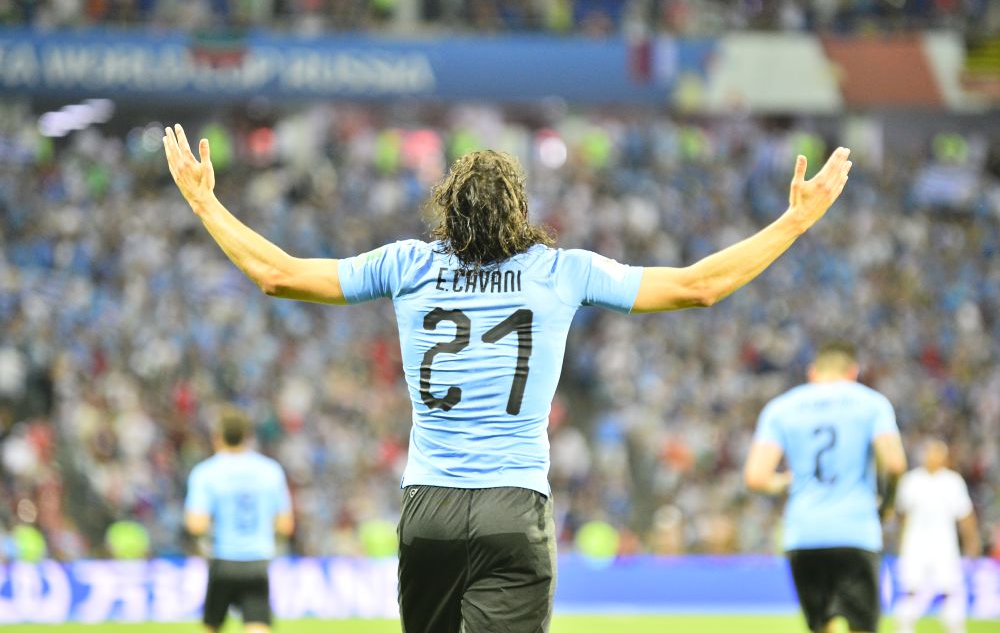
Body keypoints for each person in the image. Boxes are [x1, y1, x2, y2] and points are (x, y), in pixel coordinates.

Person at [164, 123, 852, 632]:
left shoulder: (406, 263)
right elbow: (699, 286)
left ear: (447, 205)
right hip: (512, 505)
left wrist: (204, 204)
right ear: (517, 209)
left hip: (428, 504)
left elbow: (277, 274)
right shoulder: (562, 270)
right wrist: (794, 221)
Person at [743, 341, 908, 633]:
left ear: (812, 372)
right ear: (853, 372)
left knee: (823, 626)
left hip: (804, 532)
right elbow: (894, 464)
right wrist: (887, 504)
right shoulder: (871, 403)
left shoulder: (782, 407)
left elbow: (756, 477)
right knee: (862, 626)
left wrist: (787, 482)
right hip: (855, 530)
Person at [184, 408, 294, 633]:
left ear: (217, 437)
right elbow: (285, 524)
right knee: (257, 624)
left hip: (223, 559)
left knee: (212, 625)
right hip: (258, 560)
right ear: (247, 436)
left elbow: (196, 524)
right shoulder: (270, 470)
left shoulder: (206, 472)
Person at [894, 439, 981, 633]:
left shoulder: (953, 482)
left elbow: (966, 517)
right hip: (915, 544)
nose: (933, 457)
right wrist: (898, 541)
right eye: (930, 452)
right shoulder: (911, 481)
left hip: (944, 546)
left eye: (938, 453)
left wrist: (972, 544)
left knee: (949, 592)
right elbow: (901, 516)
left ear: (945, 457)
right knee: (909, 590)